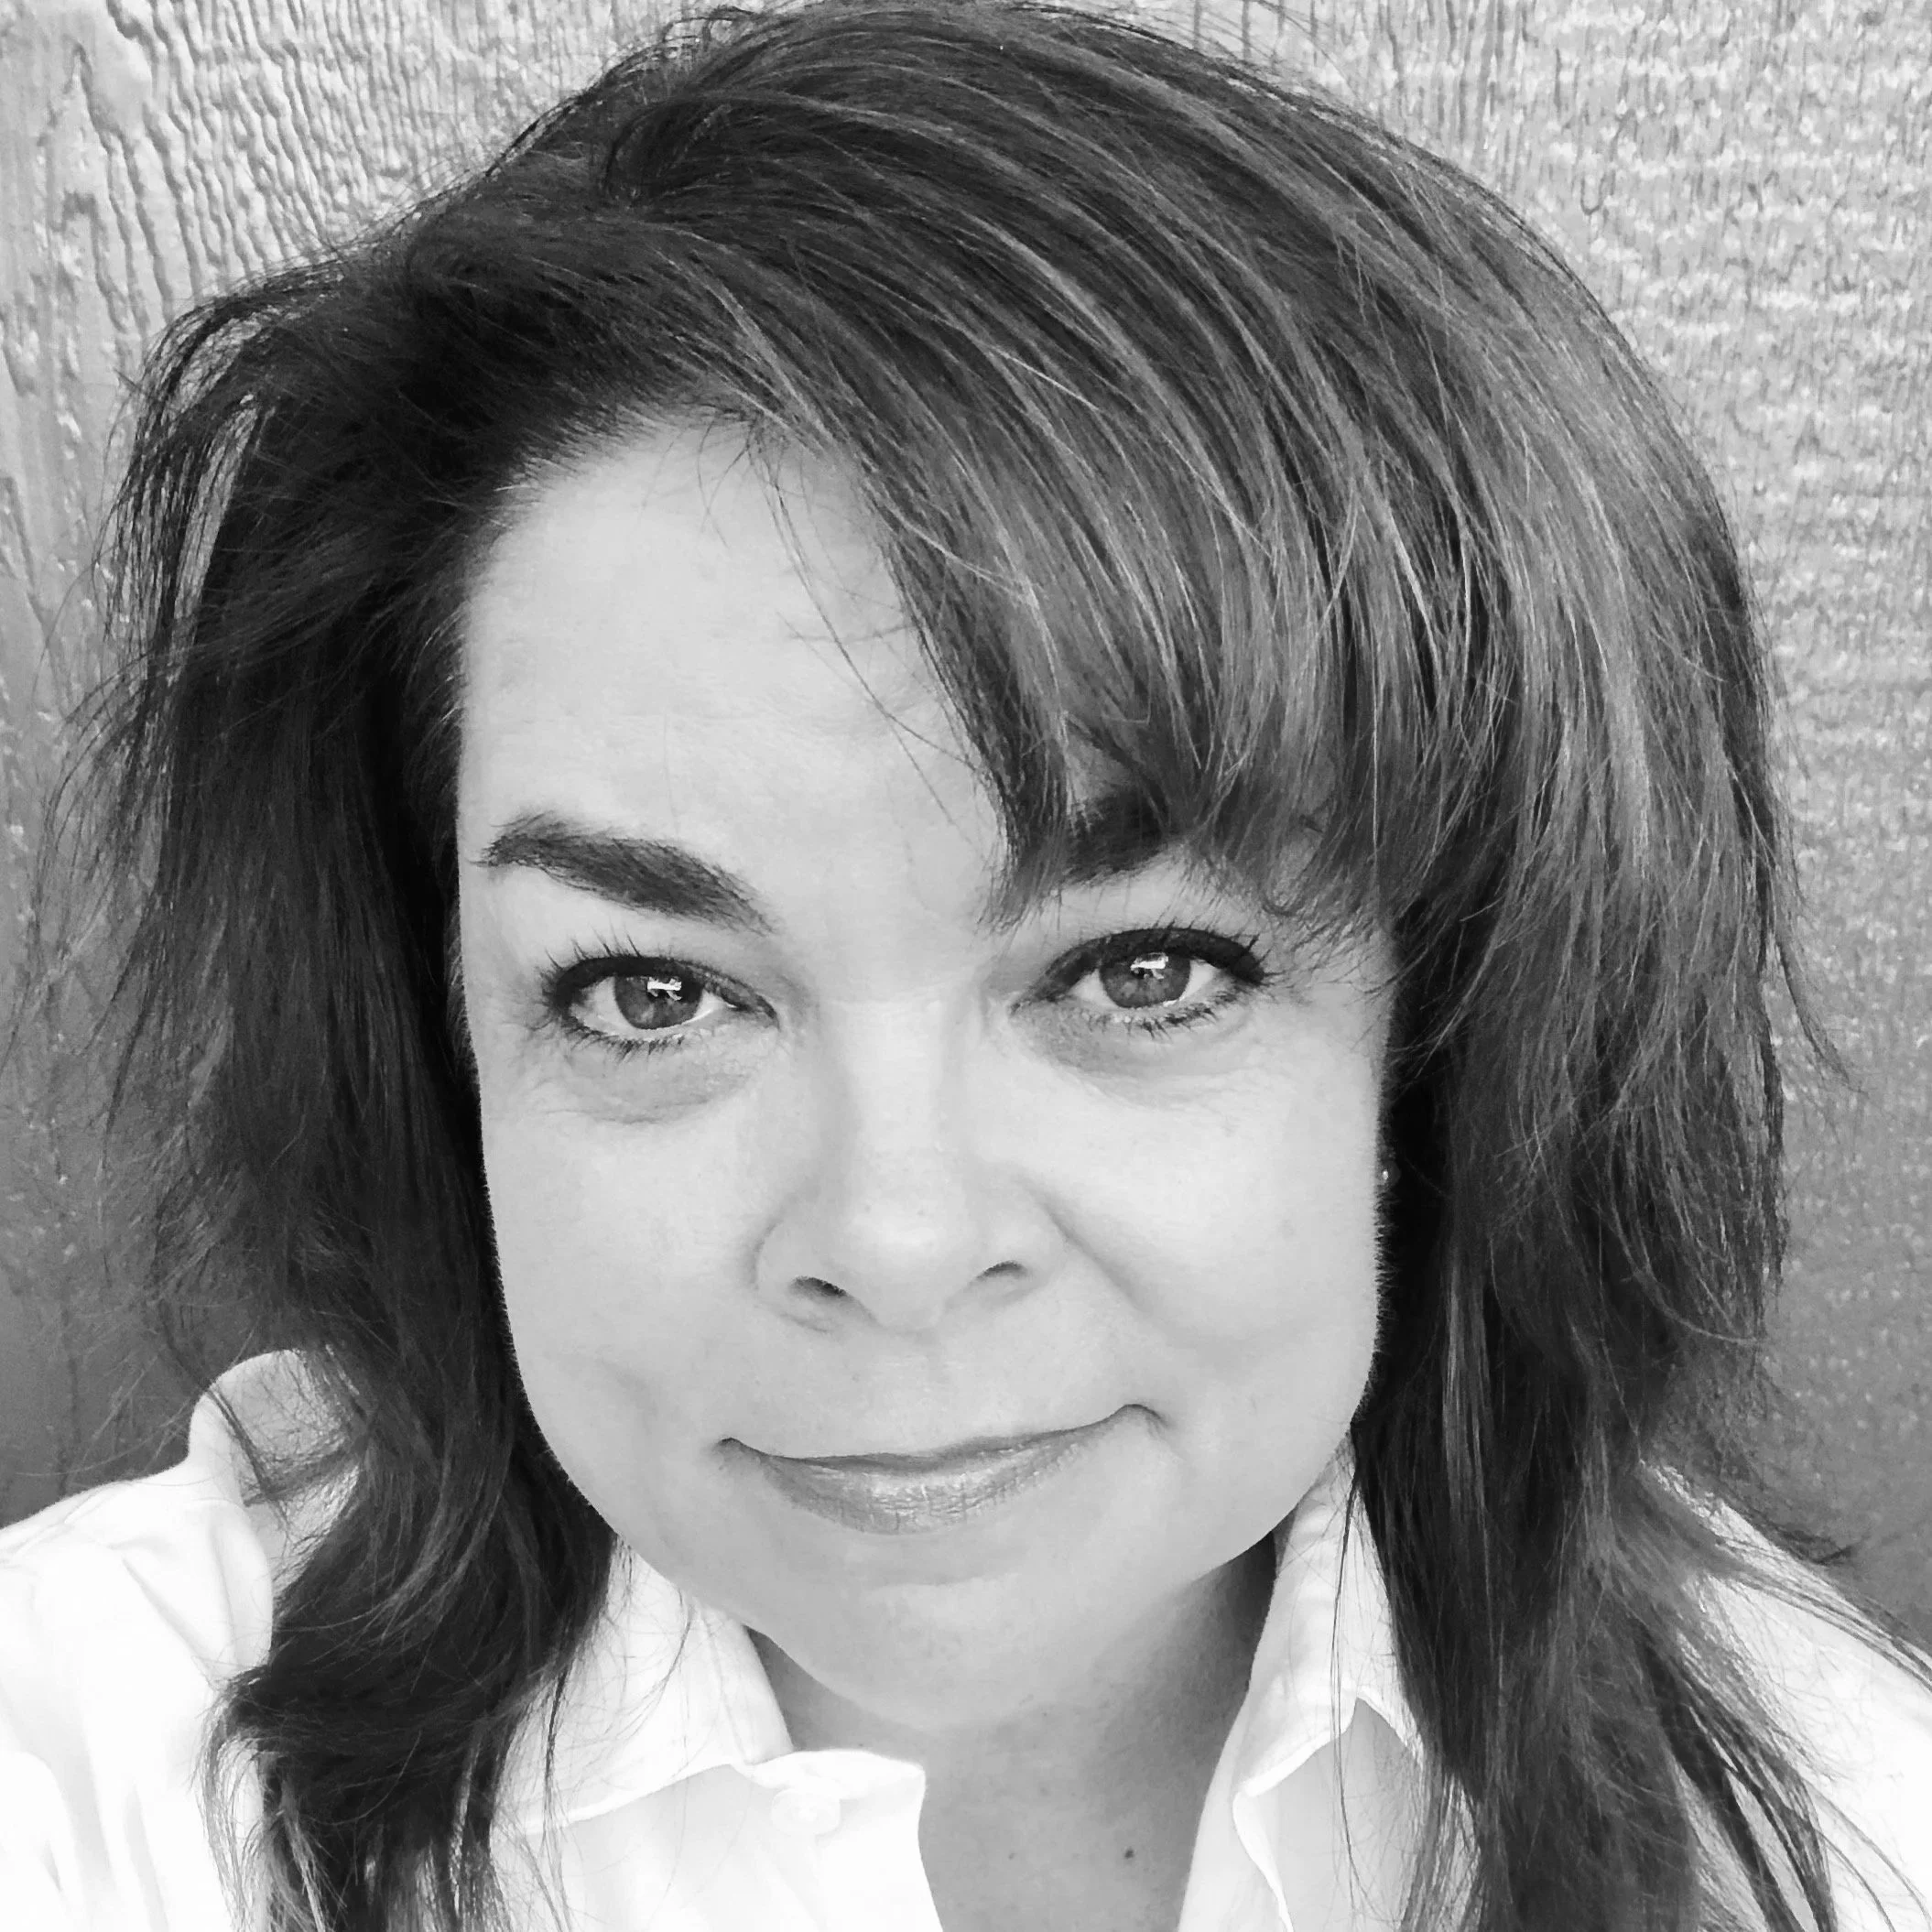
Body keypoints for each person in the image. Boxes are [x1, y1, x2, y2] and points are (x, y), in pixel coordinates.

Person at [2, 1, 1927, 1927]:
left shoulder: (1833, 1832)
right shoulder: (96, 1773)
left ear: (1448, 1033)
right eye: (649, 990)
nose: (898, 1238)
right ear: (435, 1049)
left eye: (1141, 970)